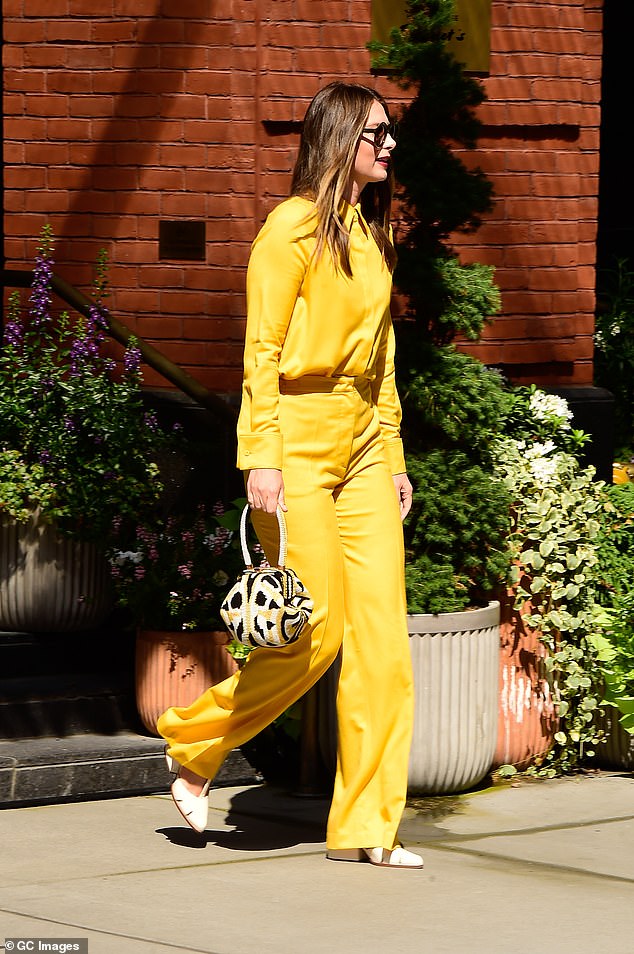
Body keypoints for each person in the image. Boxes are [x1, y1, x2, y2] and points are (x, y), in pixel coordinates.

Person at [158, 81, 422, 869]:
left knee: (383, 642)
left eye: (390, 134)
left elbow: (382, 364)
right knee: (315, 632)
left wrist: (397, 455)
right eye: (377, 134)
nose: (389, 147)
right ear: (339, 137)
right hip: (298, 441)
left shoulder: (366, 235)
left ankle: (371, 827)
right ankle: (194, 740)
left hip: (366, 444)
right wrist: (261, 456)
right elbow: (261, 354)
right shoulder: (290, 229)